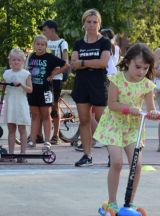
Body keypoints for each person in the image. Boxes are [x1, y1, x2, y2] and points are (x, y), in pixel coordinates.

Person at [93, 43, 160, 212]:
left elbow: (151, 107)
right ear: (128, 62)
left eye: (145, 68)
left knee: (136, 165)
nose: (141, 72)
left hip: (133, 128)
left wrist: (153, 113)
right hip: (114, 124)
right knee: (116, 162)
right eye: (138, 67)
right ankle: (112, 201)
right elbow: (112, 104)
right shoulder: (117, 79)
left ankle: (129, 202)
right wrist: (128, 108)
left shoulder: (147, 85)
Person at [71, 9, 111, 167]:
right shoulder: (78, 43)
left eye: (95, 22)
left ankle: (112, 154)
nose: (92, 25)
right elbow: (73, 65)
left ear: (99, 24)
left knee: (102, 120)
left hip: (98, 85)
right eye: (89, 21)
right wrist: (88, 63)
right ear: (84, 23)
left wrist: (83, 62)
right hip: (82, 85)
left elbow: (103, 63)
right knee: (84, 120)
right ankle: (87, 156)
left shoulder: (104, 42)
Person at [26, 35, 68, 149]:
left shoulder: (50, 57)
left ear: (46, 46)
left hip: (45, 91)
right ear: (34, 45)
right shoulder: (31, 56)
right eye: (37, 44)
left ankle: (47, 141)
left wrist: (54, 74)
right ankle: (32, 141)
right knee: (35, 116)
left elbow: (66, 64)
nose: (40, 46)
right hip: (33, 91)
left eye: (42, 44)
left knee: (46, 115)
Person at [39, 20, 70, 145]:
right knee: (42, 104)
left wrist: (54, 74)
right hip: (45, 78)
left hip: (56, 78)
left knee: (54, 105)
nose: (43, 32)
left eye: (45, 29)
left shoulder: (62, 43)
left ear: (52, 30)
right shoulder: (45, 43)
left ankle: (56, 135)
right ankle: (38, 134)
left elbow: (65, 62)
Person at [2, 48, 32, 162]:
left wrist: (21, 85)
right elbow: (4, 87)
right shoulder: (7, 73)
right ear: (10, 61)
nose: (16, 62)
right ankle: (10, 154)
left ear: (22, 62)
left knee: (22, 129)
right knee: (11, 130)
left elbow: (30, 90)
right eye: (13, 60)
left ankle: (22, 154)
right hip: (10, 104)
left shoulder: (26, 74)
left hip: (21, 104)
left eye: (18, 60)